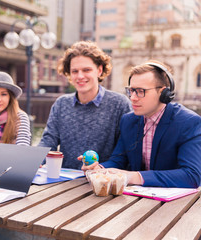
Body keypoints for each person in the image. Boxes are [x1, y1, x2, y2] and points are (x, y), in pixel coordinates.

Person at [82, 60, 201, 188]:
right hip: (137, 200)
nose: (133, 97)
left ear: (163, 93)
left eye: (140, 91)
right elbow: (118, 160)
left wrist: (134, 176)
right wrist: (99, 168)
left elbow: (192, 176)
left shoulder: (189, 122)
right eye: (131, 90)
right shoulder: (128, 120)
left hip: (177, 205)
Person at [38, 41, 132, 169]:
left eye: (86, 70)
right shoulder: (61, 104)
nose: (80, 76)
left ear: (99, 70)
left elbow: (126, 152)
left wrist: (101, 169)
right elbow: (48, 142)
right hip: (65, 183)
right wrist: (37, 161)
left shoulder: (120, 104)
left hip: (104, 181)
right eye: (75, 71)